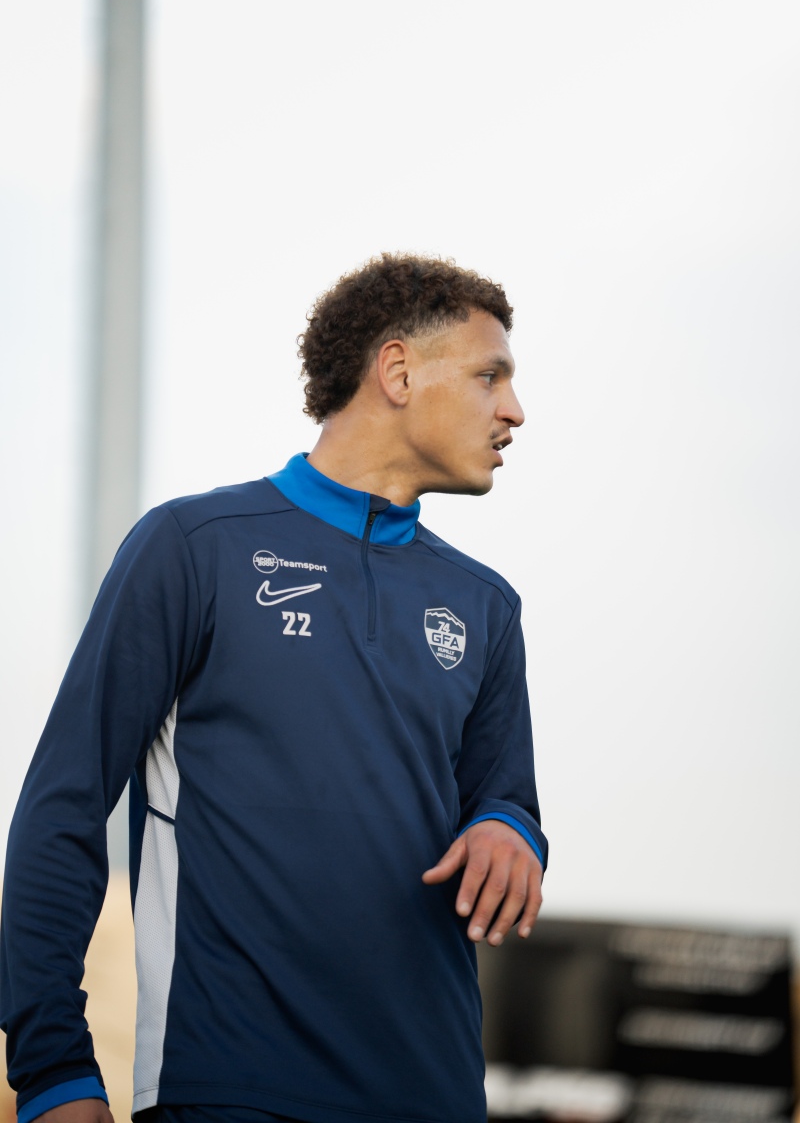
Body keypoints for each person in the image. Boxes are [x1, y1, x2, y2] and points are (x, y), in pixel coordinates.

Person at [1, 253, 548, 1123]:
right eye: (491, 376)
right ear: (398, 371)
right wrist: (53, 1071)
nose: (514, 410)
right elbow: (62, 809)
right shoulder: (192, 548)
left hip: (435, 1097)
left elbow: (506, 801)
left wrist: (508, 834)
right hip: (227, 1092)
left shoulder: (487, 605)